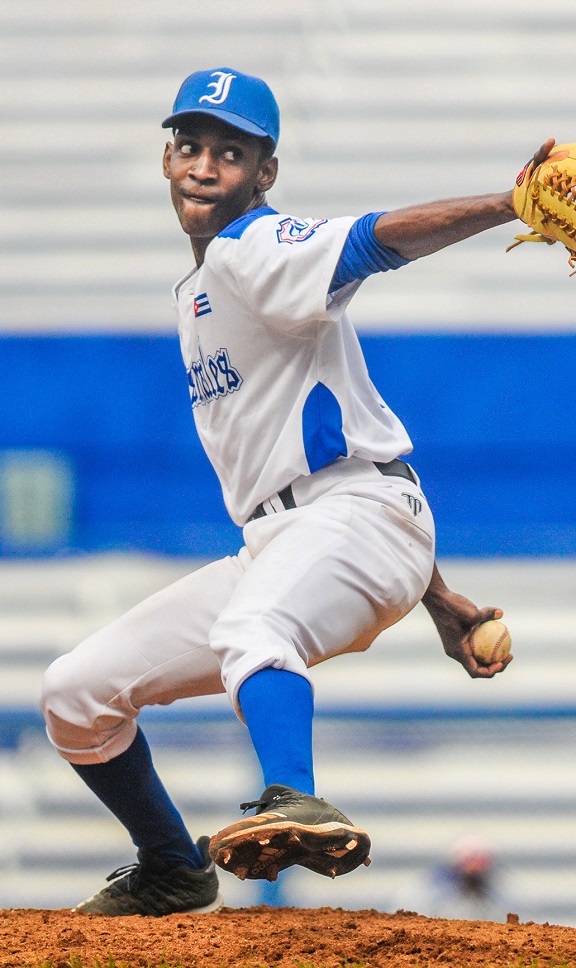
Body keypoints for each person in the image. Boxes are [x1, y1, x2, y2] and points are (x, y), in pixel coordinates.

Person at [40, 66, 540, 917]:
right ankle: (171, 867)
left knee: (252, 629)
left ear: (263, 173)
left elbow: (371, 242)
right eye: (189, 146)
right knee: (75, 694)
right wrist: (439, 599)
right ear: (167, 159)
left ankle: (294, 798)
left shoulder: (253, 246)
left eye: (230, 153)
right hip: (305, 535)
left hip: (355, 516)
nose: (204, 166)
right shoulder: (203, 284)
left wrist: (508, 203)